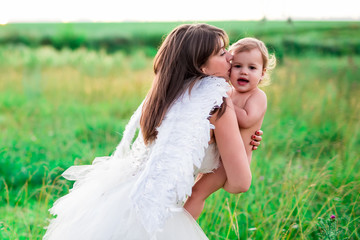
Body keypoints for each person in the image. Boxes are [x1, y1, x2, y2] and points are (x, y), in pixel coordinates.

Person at [43, 24, 262, 240]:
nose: (230, 58)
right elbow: (239, 183)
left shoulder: (163, 96)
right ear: (202, 67)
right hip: (155, 216)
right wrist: (246, 144)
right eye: (222, 52)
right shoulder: (216, 103)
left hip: (115, 200)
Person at [184, 37, 276, 220]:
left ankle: (181, 230)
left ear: (263, 73)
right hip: (217, 154)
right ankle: (174, 222)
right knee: (189, 189)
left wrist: (224, 101)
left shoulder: (258, 96)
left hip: (230, 163)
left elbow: (247, 120)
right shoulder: (229, 93)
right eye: (238, 66)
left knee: (197, 193)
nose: (244, 72)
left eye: (252, 68)